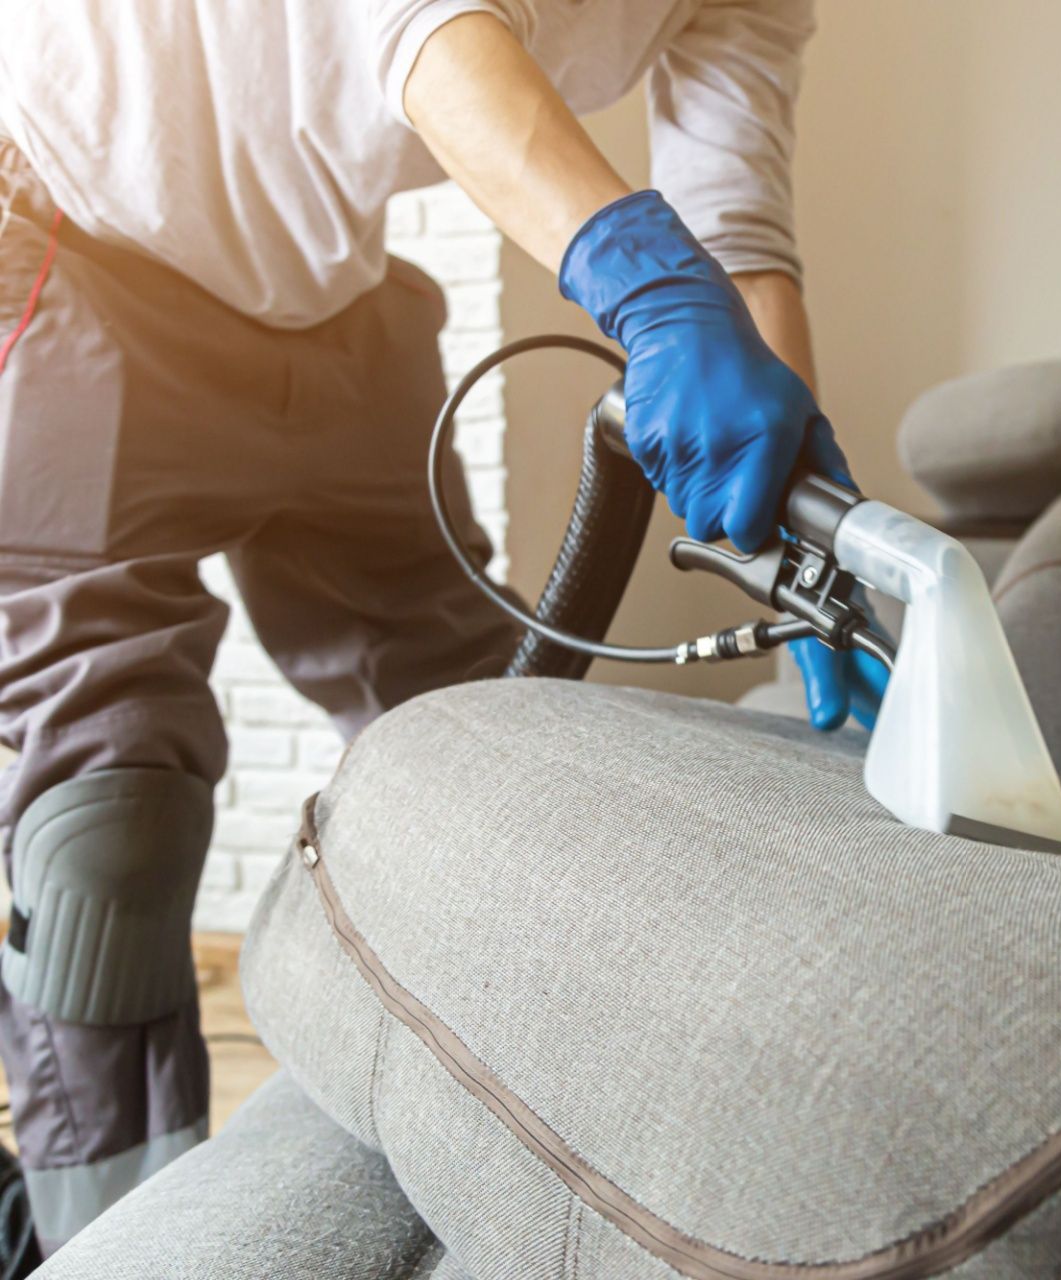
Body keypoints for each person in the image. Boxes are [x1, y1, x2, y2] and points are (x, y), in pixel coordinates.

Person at [0, 0, 882, 1260]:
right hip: (76, 232)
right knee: (105, 827)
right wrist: (645, 286)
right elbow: (412, 22)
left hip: (321, 292)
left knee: (488, 753)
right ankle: (99, 1243)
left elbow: (733, 226)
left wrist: (801, 535)